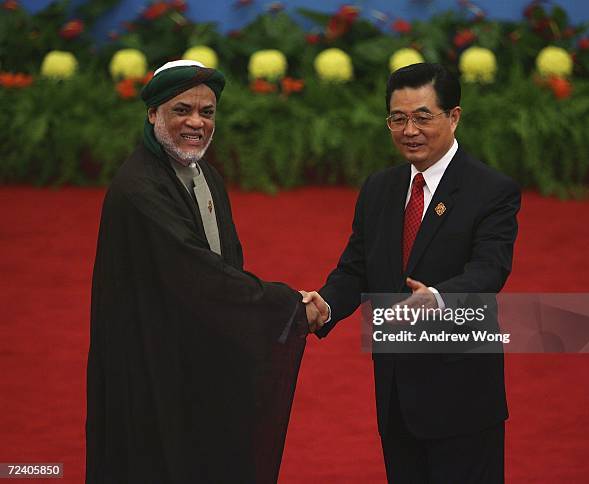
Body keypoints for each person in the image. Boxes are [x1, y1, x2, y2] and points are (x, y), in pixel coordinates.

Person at [86, 60, 320, 484]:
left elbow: (224, 265)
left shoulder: (204, 175)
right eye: (182, 110)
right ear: (153, 113)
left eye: (207, 112)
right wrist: (290, 307)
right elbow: (198, 275)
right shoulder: (140, 187)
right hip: (152, 367)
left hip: (196, 359)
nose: (196, 123)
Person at [302, 63, 521, 483]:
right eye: (397, 119)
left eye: (423, 117)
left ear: (453, 116)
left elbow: (490, 269)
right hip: (397, 396)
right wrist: (325, 305)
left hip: (462, 398)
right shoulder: (379, 189)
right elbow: (355, 268)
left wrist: (438, 298)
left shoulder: (490, 190)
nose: (409, 130)